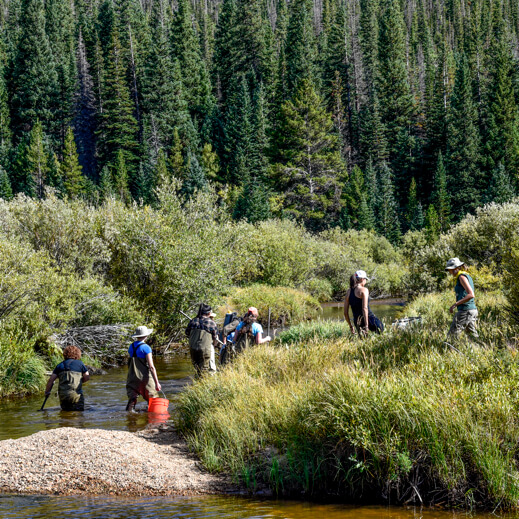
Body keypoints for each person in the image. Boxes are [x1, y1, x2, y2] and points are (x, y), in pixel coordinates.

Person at [126, 326, 161, 412]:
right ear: (146, 336)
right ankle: (153, 419)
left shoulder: (131, 347)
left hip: (132, 376)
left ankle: (130, 418)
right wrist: (157, 383)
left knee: (132, 399)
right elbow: (151, 367)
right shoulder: (146, 348)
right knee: (153, 399)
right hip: (144, 377)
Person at [45, 345, 90, 411]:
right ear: (77, 354)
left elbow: (51, 380)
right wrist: (80, 381)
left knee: (65, 413)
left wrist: (47, 392)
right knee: (78, 414)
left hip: (63, 396)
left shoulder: (59, 365)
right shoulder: (80, 363)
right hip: (76, 395)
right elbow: (87, 377)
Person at [445, 257, 478, 338]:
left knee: (452, 335)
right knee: (471, 335)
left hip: (465, 310)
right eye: (449, 270)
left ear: (457, 267)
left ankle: (450, 349)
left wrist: (455, 304)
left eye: (452, 269)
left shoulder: (461, 277)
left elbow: (471, 294)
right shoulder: (465, 276)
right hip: (471, 310)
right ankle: (481, 347)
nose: (451, 272)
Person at [344, 270, 384, 335]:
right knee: (381, 329)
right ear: (362, 279)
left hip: (357, 321)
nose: (366, 281)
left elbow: (345, 313)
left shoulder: (348, 292)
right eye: (366, 279)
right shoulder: (364, 290)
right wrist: (366, 325)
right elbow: (364, 308)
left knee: (363, 340)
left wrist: (351, 326)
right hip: (370, 319)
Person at [186, 304, 218, 377]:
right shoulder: (211, 323)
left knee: (196, 368)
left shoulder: (192, 321)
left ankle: (196, 383)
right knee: (204, 369)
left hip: (193, 348)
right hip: (205, 349)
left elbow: (187, 333)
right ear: (209, 313)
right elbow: (215, 338)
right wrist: (214, 345)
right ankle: (202, 385)